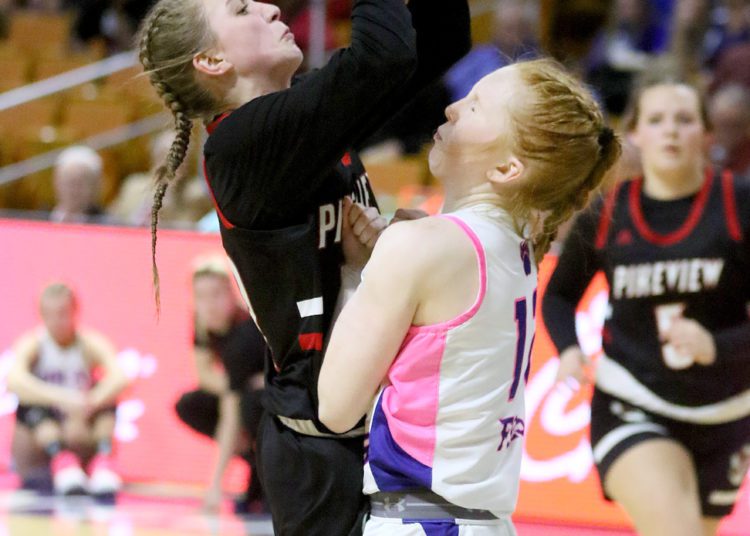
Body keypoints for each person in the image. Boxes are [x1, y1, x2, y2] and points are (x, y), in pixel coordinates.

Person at [137, 0, 470, 533]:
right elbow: (381, 56)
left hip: (380, 417)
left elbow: (438, 42)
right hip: (320, 447)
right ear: (213, 60)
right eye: (242, 8)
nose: (270, 6)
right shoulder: (242, 146)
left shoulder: (300, 120)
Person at [318, 58, 620, 536]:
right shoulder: (517, 247)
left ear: (506, 167)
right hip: (478, 521)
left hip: (423, 521)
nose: (454, 107)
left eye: (476, 106)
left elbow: (336, 406)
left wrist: (358, 272)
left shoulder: (425, 245)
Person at [543, 67, 750, 536]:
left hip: (727, 409)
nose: (671, 130)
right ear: (634, 131)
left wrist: (718, 345)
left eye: (684, 119)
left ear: (707, 131)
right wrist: (569, 349)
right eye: (656, 120)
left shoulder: (739, 203)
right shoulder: (608, 210)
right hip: (632, 398)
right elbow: (558, 294)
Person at [7, 283, 129, 496]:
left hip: (80, 427)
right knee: (30, 404)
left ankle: (103, 460)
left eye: (63, 313)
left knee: (107, 395)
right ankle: (61, 459)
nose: (57, 321)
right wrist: (62, 398)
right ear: (41, 315)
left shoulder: (89, 343)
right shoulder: (33, 343)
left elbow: (120, 377)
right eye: (50, 314)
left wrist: (91, 401)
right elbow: (14, 381)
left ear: (75, 311)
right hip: (43, 436)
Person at [174, 256, 266, 513]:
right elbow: (204, 375)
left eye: (216, 294)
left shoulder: (244, 334)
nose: (209, 305)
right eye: (200, 296)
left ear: (231, 293)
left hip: (273, 399)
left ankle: (263, 473)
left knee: (249, 405)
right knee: (191, 404)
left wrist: (215, 484)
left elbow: (231, 407)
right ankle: (252, 459)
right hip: (245, 391)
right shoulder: (201, 323)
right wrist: (236, 386)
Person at [50, 145, 107, 224]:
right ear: (56, 182)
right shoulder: (36, 216)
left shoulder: (106, 224)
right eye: (69, 182)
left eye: (81, 183)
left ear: (95, 186)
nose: (74, 190)